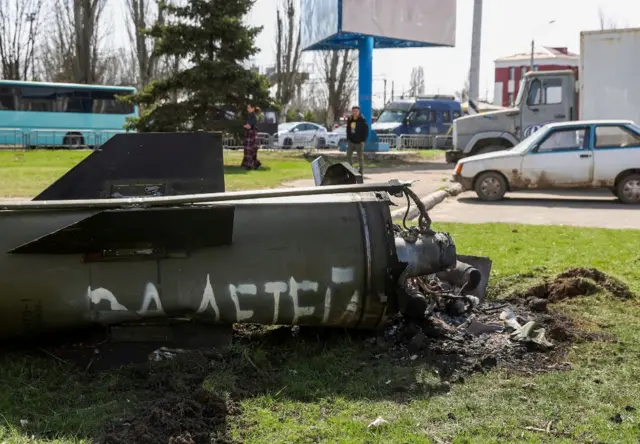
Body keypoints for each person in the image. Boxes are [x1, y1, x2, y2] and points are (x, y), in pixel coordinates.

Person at [346, 105, 369, 175]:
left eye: (356, 111)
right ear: (352, 112)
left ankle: (361, 172)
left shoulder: (362, 120)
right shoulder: (350, 119)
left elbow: (366, 131)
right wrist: (348, 138)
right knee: (348, 156)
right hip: (351, 141)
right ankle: (351, 170)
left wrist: (363, 140)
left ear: (359, 112)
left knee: (360, 158)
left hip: (360, 142)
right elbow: (348, 129)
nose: (355, 112)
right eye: (353, 111)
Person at [241, 103, 262, 170]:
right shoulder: (254, 115)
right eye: (247, 108)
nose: (248, 109)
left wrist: (243, 126)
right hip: (253, 134)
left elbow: (249, 126)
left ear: (253, 108)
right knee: (252, 151)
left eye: (249, 108)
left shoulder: (252, 116)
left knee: (249, 150)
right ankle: (255, 164)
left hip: (251, 133)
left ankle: (250, 165)